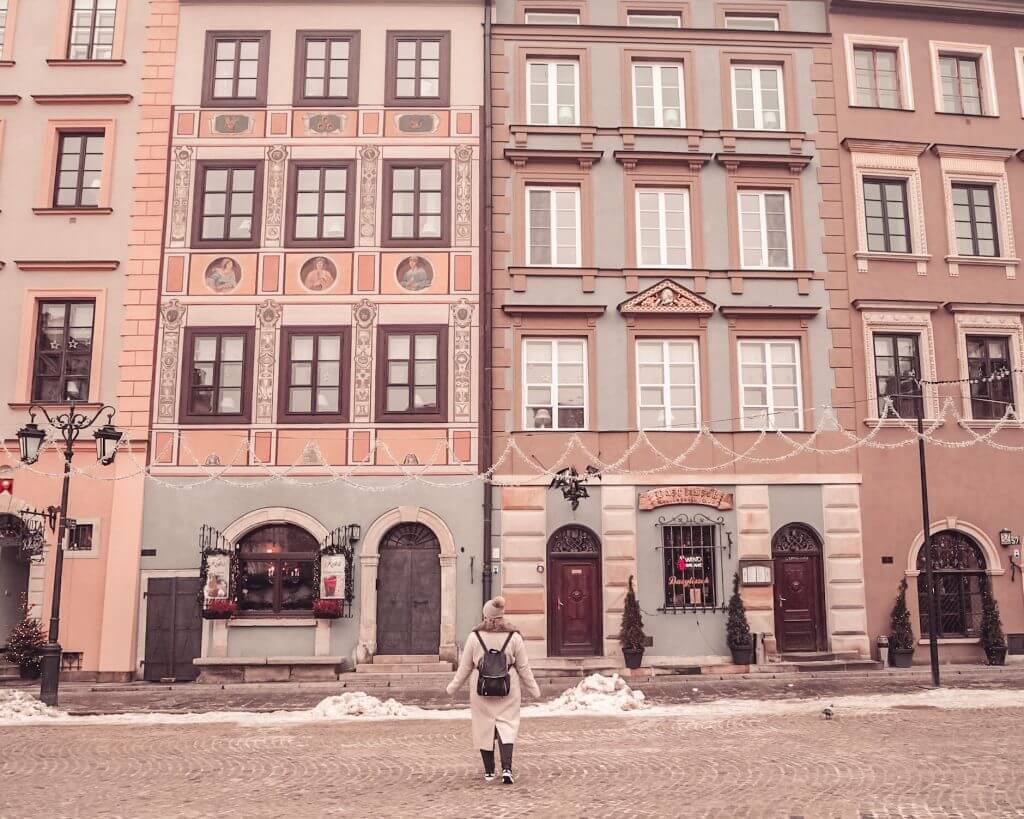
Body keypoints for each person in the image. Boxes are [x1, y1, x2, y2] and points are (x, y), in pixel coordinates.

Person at [446, 596, 541, 785]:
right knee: (507, 725)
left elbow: (465, 667)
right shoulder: (514, 637)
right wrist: (534, 689)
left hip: (481, 688)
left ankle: (489, 771)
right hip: (508, 687)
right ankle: (507, 768)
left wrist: (452, 687)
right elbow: (523, 667)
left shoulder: (475, 637)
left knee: (484, 726)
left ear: (486, 616)